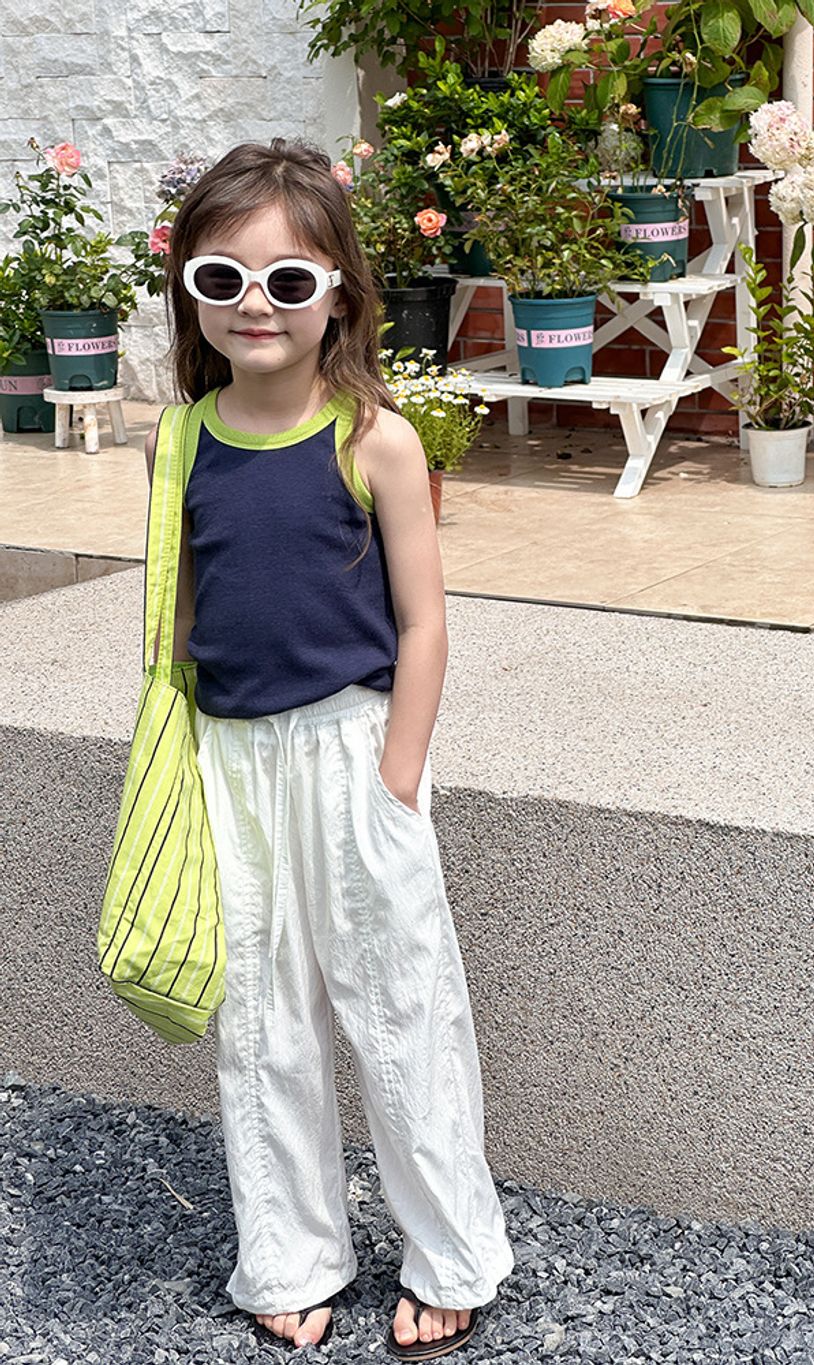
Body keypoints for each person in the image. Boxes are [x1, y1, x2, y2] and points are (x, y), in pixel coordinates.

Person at [143, 137, 515, 1356]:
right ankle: (289, 1253)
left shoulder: (375, 441)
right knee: (262, 1021)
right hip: (229, 762)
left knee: (402, 1005)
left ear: (340, 295)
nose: (255, 305)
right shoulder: (178, 442)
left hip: (353, 752)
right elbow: (178, 622)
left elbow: (424, 623)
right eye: (223, 279)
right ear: (191, 293)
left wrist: (397, 778)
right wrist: (177, 762)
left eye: (288, 281)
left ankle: (450, 1250)